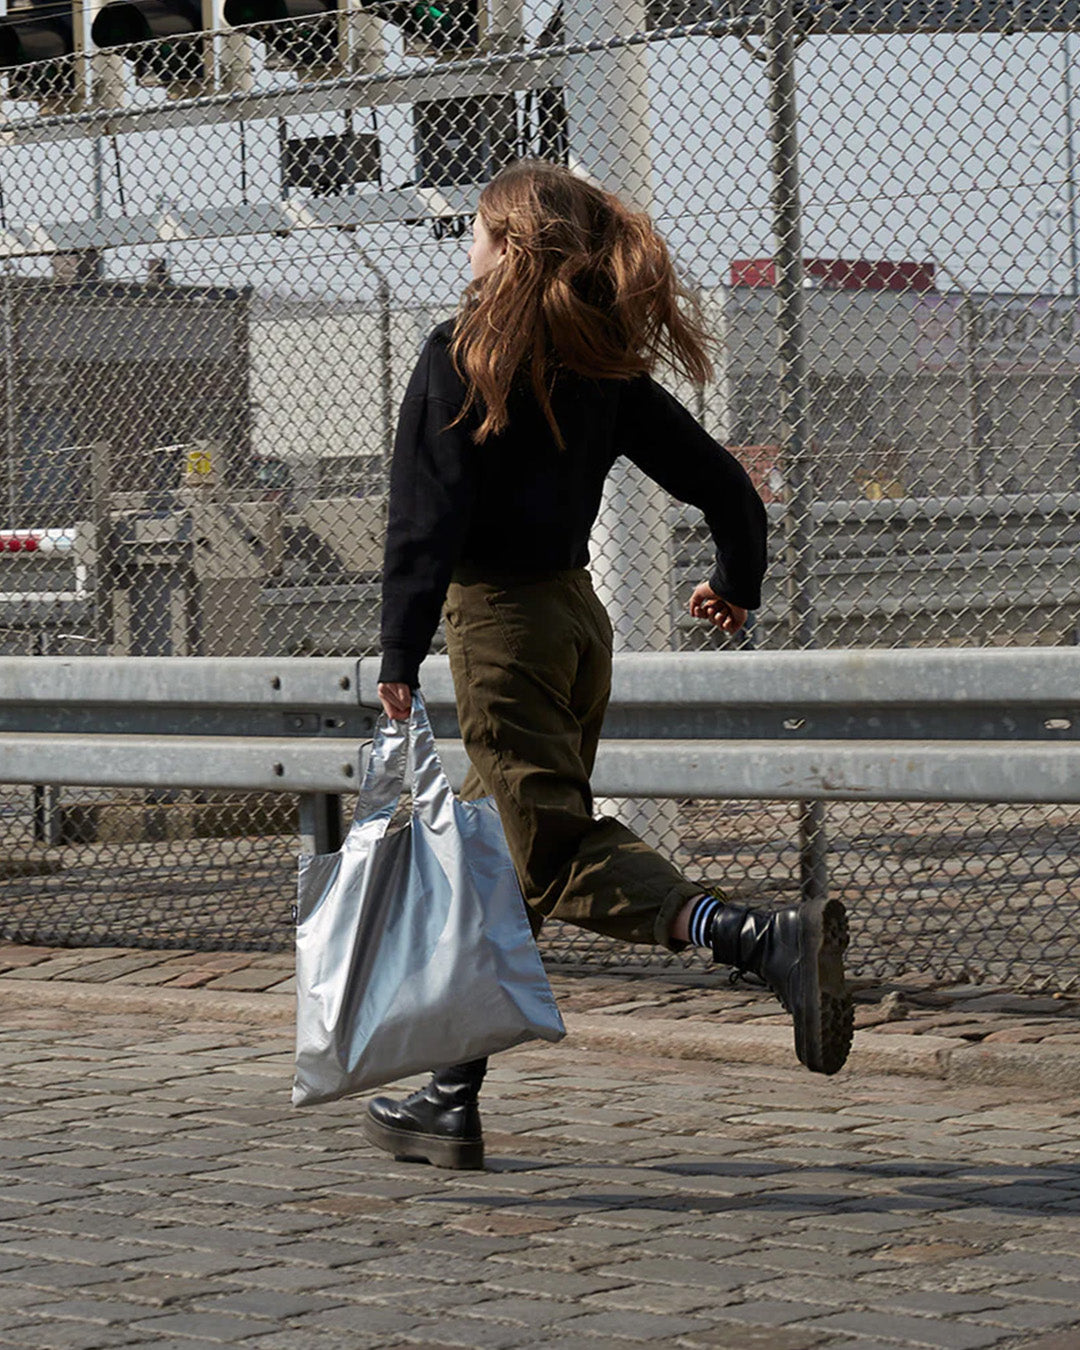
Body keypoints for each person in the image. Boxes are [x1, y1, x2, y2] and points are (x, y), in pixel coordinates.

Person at [365, 160, 853, 1171]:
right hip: (578, 627)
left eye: (479, 232)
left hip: (501, 630)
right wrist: (737, 580)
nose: (468, 248)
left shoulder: (459, 355)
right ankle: (450, 1097)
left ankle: (751, 938)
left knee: (546, 852)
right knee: (494, 863)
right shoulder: (603, 370)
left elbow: (424, 515)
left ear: (511, 250)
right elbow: (727, 486)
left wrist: (398, 648)